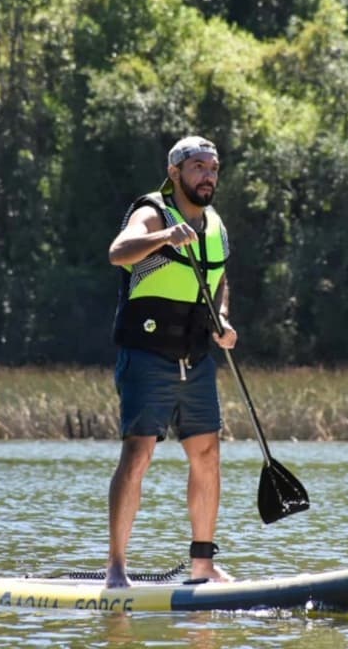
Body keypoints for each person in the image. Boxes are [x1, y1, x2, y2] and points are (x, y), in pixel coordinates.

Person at [105, 136, 238, 588]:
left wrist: (222, 318)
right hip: (147, 356)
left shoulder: (215, 224)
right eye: (198, 167)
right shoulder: (154, 211)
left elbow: (220, 279)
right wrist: (164, 235)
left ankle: (203, 563)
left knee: (207, 454)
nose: (207, 176)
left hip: (197, 358)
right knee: (139, 454)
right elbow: (118, 252)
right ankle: (117, 568)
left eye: (213, 168)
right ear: (175, 171)